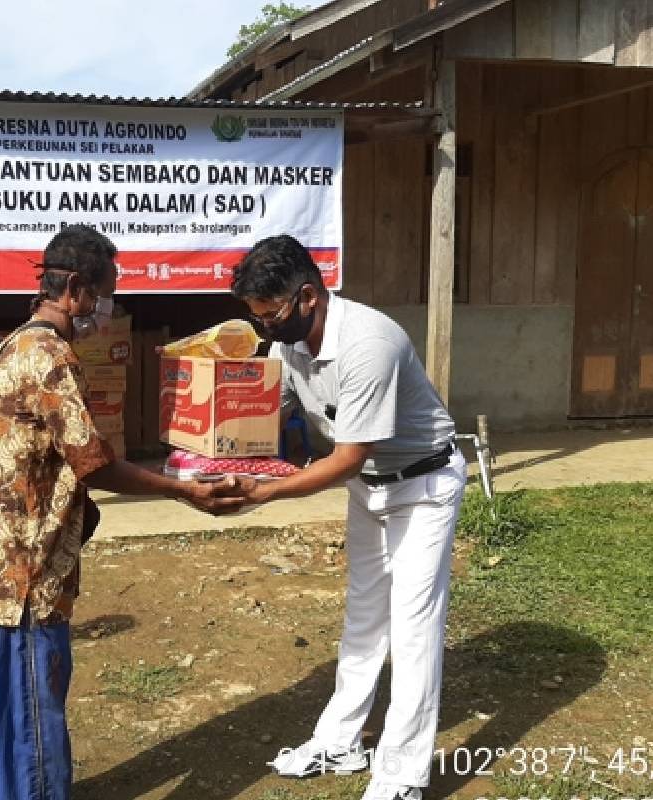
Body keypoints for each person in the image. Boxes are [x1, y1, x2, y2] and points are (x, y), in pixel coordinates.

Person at [0, 225, 245, 800]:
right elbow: (94, 463)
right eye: (105, 293)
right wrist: (181, 489)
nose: (107, 308)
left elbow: (44, 457)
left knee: (3, 718)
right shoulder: (50, 357)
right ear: (77, 289)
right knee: (33, 722)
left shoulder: (12, 344)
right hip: (26, 579)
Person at [228, 235, 466, 800]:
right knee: (364, 616)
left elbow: (347, 456)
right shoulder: (291, 342)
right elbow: (268, 408)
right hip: (370, 488)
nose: (265, 329)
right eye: (256, 317)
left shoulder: (368, 344)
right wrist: (210, 445)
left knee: (412, 630)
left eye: (271, 315)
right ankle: (340, 739)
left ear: (308, 296)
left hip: (424, 486)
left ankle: (402, 775)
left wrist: (263, 491)